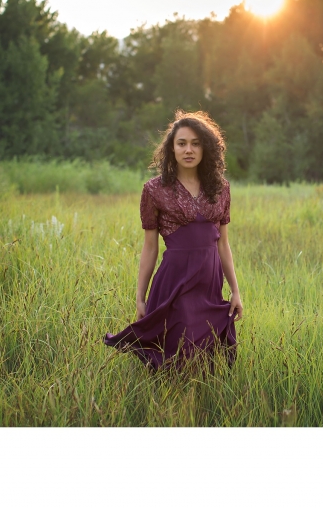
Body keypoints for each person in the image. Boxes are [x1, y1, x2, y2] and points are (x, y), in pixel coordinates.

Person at [104, 110, 243, 370]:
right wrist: (140, 296)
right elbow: (150, 247)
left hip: (210, 283)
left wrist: (235, 291)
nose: (188, 150)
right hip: (175, 280)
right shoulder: (154, 190)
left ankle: (200, 405)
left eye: (195, 143)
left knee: (206, 357)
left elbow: (223, 244)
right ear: (172, 149)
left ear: (206, 148)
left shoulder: (220, 188)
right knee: (178, 353)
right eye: (181, 143)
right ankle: (166, 405)